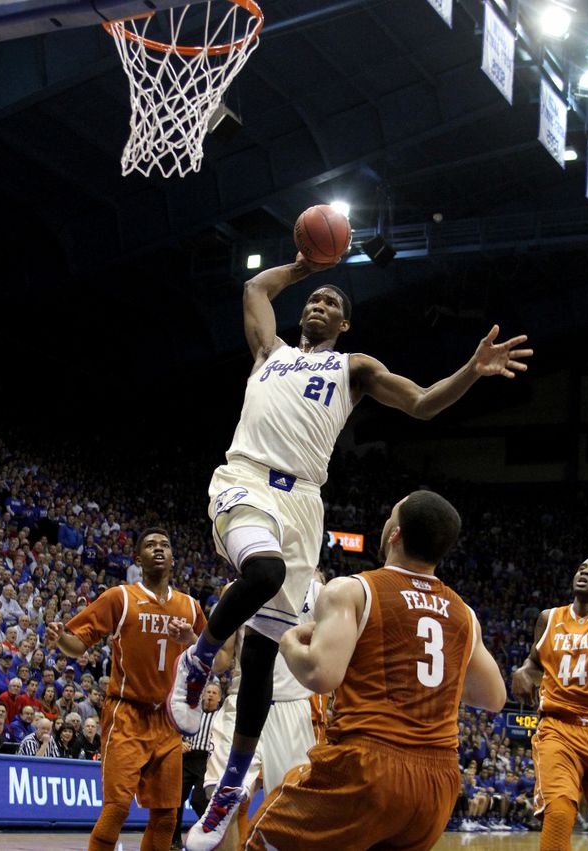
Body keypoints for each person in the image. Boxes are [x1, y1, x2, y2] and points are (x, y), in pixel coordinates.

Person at [167, 255, 532, 845]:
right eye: (315, 299)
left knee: (261, 657)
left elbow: (420, 403)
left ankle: (229, 786)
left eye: (332, 303)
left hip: (305, 501)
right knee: (262, 571)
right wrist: (302, 265)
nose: (318, 305)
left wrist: (471, 369)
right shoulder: (270, 353)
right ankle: (199, 659)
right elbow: (255, 287)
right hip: (246, 479)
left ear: (345, 325)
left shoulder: (353, 368)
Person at [238, 490, 507, 851]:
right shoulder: (464, 613)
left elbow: (320, 675)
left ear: (394, 534)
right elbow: (493, 698)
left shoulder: (353, 589)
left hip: (368, 767)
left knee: (258, 843)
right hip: (437, 784)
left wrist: (287, 642)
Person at [46, 528, 207, 851]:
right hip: (126, 713)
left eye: (164, 544)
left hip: (167, 720)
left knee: (166, 816)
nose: (158, 549)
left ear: (173, 558)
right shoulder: (120, 597)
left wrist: (191, 640)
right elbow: (78, 644)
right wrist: (61, 638)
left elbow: (212, 658)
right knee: (116, 809)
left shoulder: (190, 607)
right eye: (150, 545)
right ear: (138, 559)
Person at [511, 557, 588, 850]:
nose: (584, 572)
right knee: (559, 812)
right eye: (582, 568)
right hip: (558, 727)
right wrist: (523, 671)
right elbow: (534, 661)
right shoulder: (548, 618)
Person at [187, 578, 323, 851]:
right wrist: (194, 644)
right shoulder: (237, 587)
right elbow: (224, 657)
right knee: (221, 799)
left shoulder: (319, 591)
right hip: (243, 700)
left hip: (293, 706)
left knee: (296, 816)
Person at [172, 682, 222, 851]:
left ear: (219, 698)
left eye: (214, 692)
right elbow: (176, 728)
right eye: (208, 691)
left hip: (207, 762)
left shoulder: (221, 717)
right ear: (202, 695)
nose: (210, 695)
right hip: (187, 758)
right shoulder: (193, 712)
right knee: (176, 800)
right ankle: (175, 839)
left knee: (199, 800)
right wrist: (179, 742)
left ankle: (212, 832)